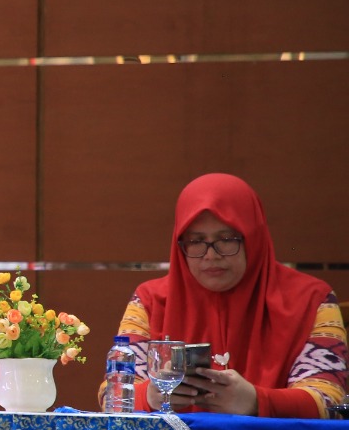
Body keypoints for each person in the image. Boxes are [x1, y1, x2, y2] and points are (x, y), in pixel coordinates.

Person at [102, 173, 345, 417]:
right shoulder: (150, 300)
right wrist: (150, 396)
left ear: (253, 237)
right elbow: (110, 395)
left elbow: (329, 399)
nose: (211, 255)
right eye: (196, 241)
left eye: (226, 239)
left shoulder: (313, 299)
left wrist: (257, 401)